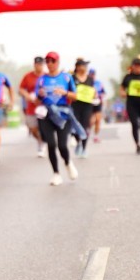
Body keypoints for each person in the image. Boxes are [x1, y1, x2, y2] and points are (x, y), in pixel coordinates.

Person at [36, 51, 79, 186]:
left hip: (63, 114)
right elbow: (36, 99)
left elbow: (75, 96)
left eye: (52, 61)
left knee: (62, 145)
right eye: (47, 61)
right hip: (47, 114)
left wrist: (64, 93)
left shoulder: (66, 77)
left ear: (58, 62)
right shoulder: (42, 79)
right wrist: (40, 95)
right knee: (51, 144)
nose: (50, 64)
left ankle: (67, 162)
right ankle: (56, 173)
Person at [19, 56, 47, 157]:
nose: (39, 66)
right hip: (31, 106)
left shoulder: (46, 76)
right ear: (34, 64)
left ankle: (42, 144)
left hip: (44, 106)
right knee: (33, 128)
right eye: (37, 64)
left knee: (43, 127)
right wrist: (27, 96)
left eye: (41, 64)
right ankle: (40, 140)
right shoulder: (28, 76)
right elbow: (21, 88)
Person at [70, 58, 95, 158]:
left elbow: (92, 90)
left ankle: (84, 148)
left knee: (85, 126)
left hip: (87, 105)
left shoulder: (90, 79)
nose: (84, 68)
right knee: (76, 126)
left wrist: (94, 94)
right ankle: (78, 141)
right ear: (77, 67)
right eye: (82, 66)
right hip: (75, 105)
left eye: (85, 66)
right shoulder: (72, 78)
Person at [89, 68, 107, 142]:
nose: (92, 76)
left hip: (98, 102)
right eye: (91, 74)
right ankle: (88, 131)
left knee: (98, 120)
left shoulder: (99, 83)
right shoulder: (87, 82)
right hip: (89, 103)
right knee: (92, 120)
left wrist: (101, 98)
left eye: (93, 74)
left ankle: (96, 136)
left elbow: (104, 92)